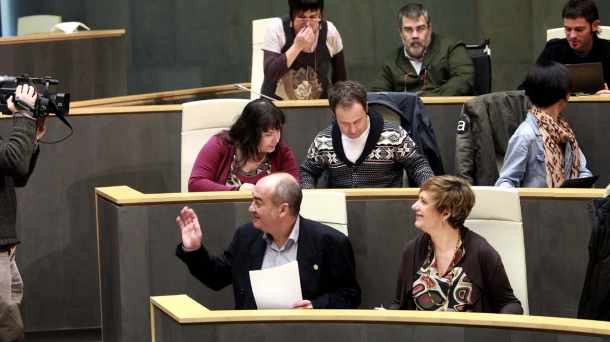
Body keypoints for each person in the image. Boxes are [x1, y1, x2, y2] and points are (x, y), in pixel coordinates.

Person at [176, 172, 361, 309]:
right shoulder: (246, 236)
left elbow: (349, 295)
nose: (250, 208)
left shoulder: (331, 243)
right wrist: (194, 249)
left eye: (258, 202)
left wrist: (315, 306)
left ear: (282, 210)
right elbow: (217, 278)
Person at [391, 175, 523, 313]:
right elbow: (400, 304)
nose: (414, 206)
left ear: (445, 213)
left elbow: (510, 304)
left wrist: (493, 331)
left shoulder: (481, 252)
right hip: (422, 334)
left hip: (469, 334)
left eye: (423, 202)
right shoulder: (413, 250)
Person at [299, 80, 434, 188]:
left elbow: (418, 166)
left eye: (357, 121)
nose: (352, 130)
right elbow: (307, 172)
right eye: (345, 123)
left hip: (388, 211)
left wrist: (430, 191)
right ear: (334, 115)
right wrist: (310, 196)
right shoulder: (323, 140)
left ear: (366, 108)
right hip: (341, 212)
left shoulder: (394, 135)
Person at [496, 61, 592, 188]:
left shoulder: (564, 131)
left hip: (568, 206)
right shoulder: (525, 135)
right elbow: (506, 181)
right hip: (537, 207)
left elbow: (582, 171)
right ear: (563, 92)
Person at [0, 84, 47, 340]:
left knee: (9, 321)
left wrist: (32, 137)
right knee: (7, 330)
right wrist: (23, 118)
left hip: (4, 245)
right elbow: (15, 164)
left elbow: (14, 176)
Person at [188, 98, 300, 192]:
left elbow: (294, 192)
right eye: (269, 134)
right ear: (250, 133)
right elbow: (195, 183)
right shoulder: (220, 144)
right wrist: (237, 191)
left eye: (278, 131)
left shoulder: (282, 152)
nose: (276, 139)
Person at [371, 3, 475, 96]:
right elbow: (378, 94)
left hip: (448, 112)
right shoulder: (391, 62)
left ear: (430, 29)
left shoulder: (451, 47)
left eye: (420, 28)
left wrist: (425, 101)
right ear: (400, 32)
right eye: (408, 30)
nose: (415, 35)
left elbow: (464, 78)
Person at [519, 0, 610, 95]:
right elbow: (525, 89)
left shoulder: (608, 51)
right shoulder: (554, 51)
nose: (572, 35)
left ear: (594, 26)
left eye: (579, 29)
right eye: (568, 29)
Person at [260, 0, 346, 100]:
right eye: (301, 17)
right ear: (292, 15)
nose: (307, 24)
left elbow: (340, 79)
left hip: (318, 106)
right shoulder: (276, 30)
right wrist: (297, 46)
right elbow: (270, 75)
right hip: (276, 106)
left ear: (320, 16)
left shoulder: (330, 33)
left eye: (313, 17)